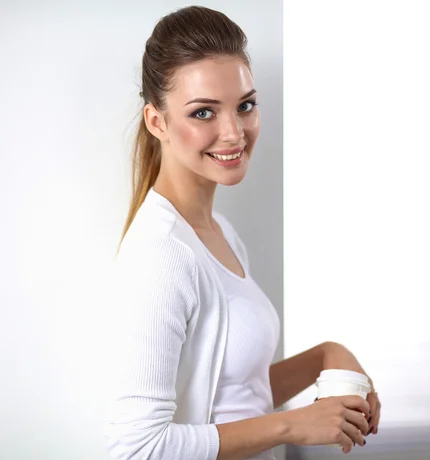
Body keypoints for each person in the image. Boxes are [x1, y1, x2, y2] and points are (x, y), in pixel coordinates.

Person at [104, 6, 381, 460]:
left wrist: (328, 356)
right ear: (158, 122)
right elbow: (137, 448)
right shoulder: (160, 255)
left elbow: (234, 394)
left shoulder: (220, 233)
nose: (234, 133)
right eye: (203, 112)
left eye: (245, 105)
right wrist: (292, 424)